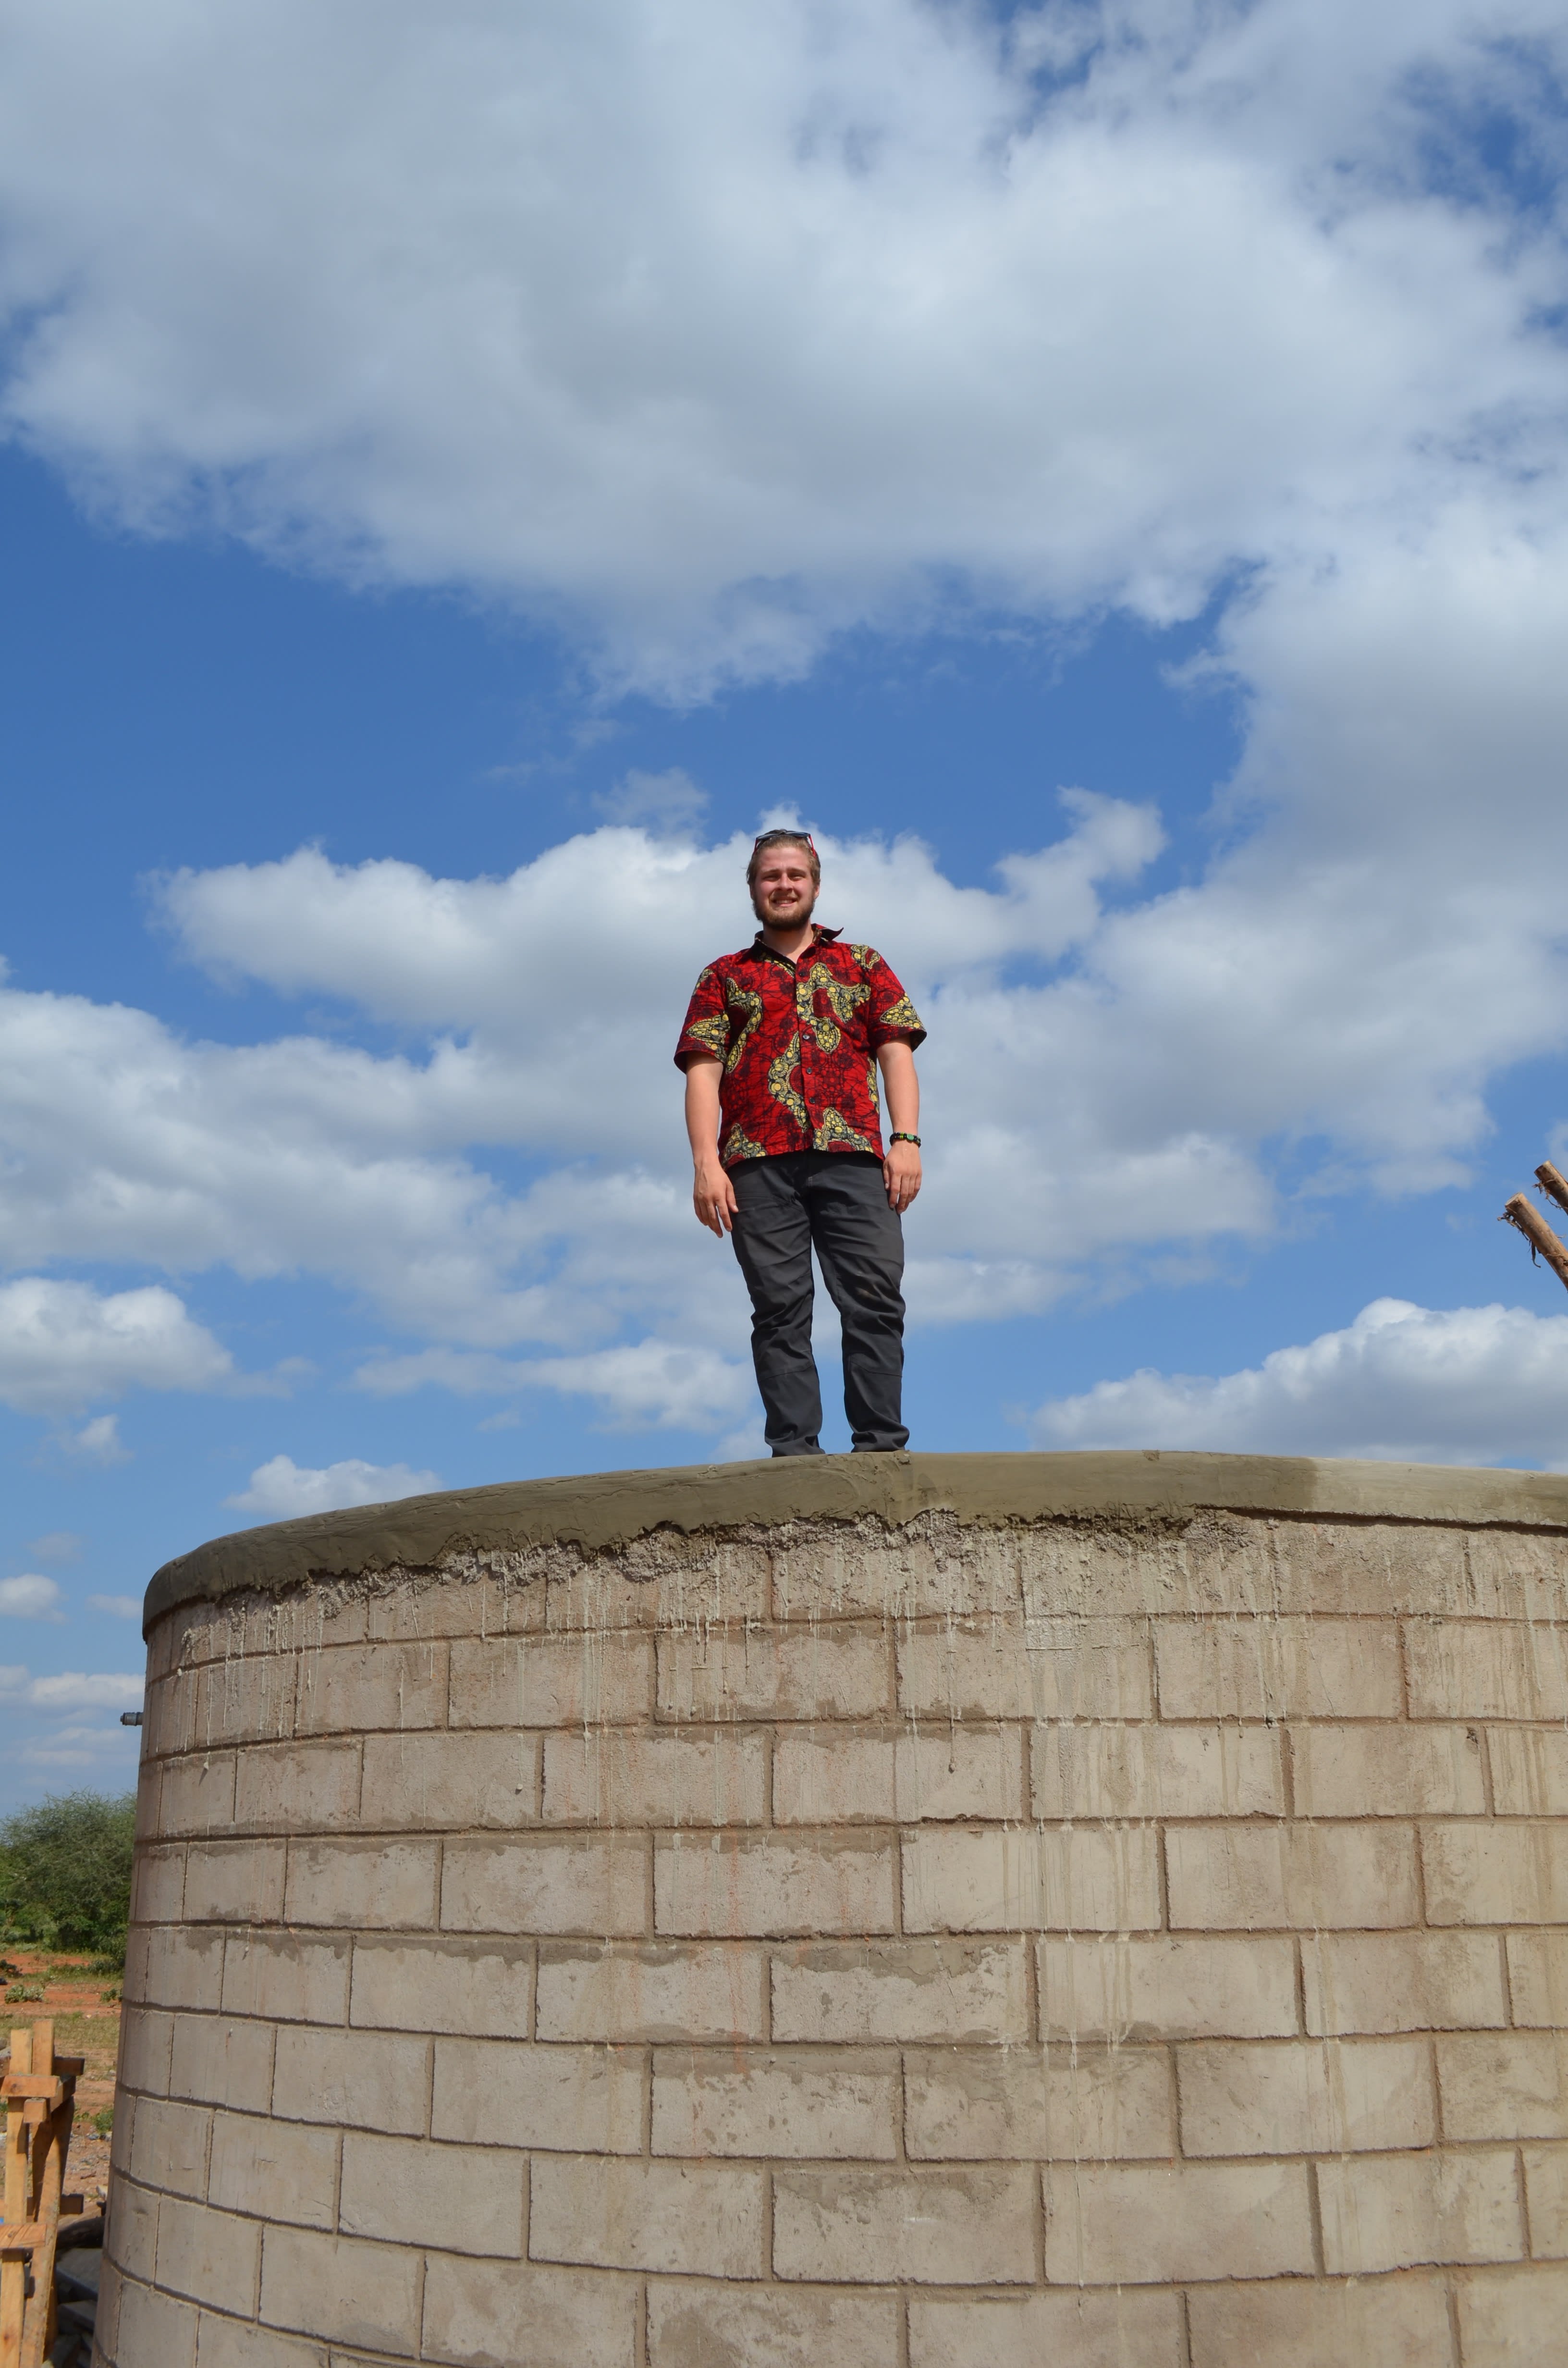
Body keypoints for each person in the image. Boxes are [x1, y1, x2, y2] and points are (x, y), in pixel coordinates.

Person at [674, 828, 925, 1456]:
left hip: (856, 1159)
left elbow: (895, 1053)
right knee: (780, 1309)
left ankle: (881, 1448)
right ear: (754, 888)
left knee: (874, 1298)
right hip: (758, 1164)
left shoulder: (863, 965)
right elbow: (703, 1073)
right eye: (770, 876)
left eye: (795, 875)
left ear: (814, 884)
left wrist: (907, 1140)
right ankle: (794, 1455)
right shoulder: (723, 977)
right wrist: (706, 1164)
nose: (783, 886)